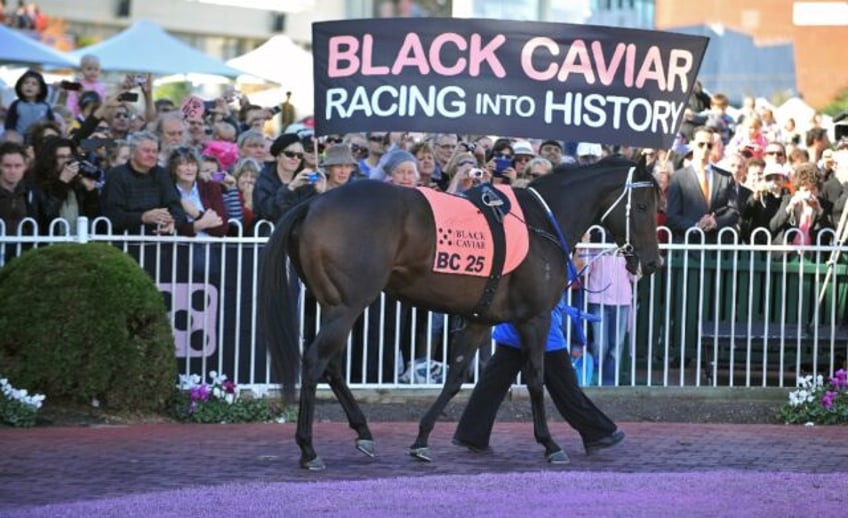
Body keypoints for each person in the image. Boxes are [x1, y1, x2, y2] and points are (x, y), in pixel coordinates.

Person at [452, 297, 625, 456]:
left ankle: (471, 434)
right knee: (566, 388)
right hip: (541, 330)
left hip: (516, 326)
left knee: (493, 383)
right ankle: (598, 433)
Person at [100, 131, 190, 235]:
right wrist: (142, 217)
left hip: (159, 241)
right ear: (132, 153)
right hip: (124, 242)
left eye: (155, 151)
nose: (151, 155)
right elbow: (112, 214)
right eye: (146, 151)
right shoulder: (117, 175)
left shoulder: (162, 174)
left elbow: (176, 208)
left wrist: (173, 222)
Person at [579, 229, 638, 386]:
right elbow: (584, 270)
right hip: (598, 300)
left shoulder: (627, 248)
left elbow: (635, 276)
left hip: (622, 300)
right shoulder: (597, 244)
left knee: (616, 346)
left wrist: (634, 257)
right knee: (600, 344)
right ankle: (594, 379)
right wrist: (585, 246)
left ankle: (609, 383)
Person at [666, 127, 739, 243]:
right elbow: (672, 215)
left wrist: (716, 222)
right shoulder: (678, 177)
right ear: (692, 144)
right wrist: (695, 226)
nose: (705, 149)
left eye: (709, 145)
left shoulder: (725, 177)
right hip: (688, 247)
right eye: (701, 144)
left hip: (717, 247)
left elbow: (733, 211)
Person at [29, 136, 101, 234]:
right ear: (50, 159)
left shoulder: (77, 184)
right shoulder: (37, 183)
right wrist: (62, 184)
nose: (67, 161)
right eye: (62, 157)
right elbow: (46, 216)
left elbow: (93, 216)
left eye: (69, 157)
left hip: (76, 244)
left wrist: (91, 192)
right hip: (50, 245)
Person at [769, 162, 833, 254]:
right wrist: (789, 208)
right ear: (798, 189)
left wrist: (819, 211)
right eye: (806, 190)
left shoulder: (824, 204)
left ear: (818, 189)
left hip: (813, 257)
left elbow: (830, 233)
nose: (809, 194)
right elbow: (773, 226)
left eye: (813, 189)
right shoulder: (788, 199)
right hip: (787, 255)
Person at [252, 132, 312, 223]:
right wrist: (290, 188)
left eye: (299, 155)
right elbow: (268, 211)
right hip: (269, 234)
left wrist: (320, 191)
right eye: (289, 154)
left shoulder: (304, 179)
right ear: (278, 156)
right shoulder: (263, 179)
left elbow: (312, 211)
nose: (295, 158)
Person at [0, 141, 40, 235]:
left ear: (25, 166)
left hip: (26, 248)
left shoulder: (32, 193)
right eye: (7, 166)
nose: (12, 171)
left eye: (18, 166)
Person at [3, 69, 54, 143]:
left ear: (40, 90)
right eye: (26, 83)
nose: (29, 86)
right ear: (20, 87)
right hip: (19, 142)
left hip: (39, 141)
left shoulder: (45, 106)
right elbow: (9, 125)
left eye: (34, 84)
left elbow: (51, 123)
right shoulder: (16, 105)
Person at [65, 54, 107, 119]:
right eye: (89, 69)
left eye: (96, 69)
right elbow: (71, 102)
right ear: (82, 69)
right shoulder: (77, 85)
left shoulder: (101, 87)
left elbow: (103, 103)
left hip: (95, 118)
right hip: (78, 117)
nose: (93, 72)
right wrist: (70, 115)